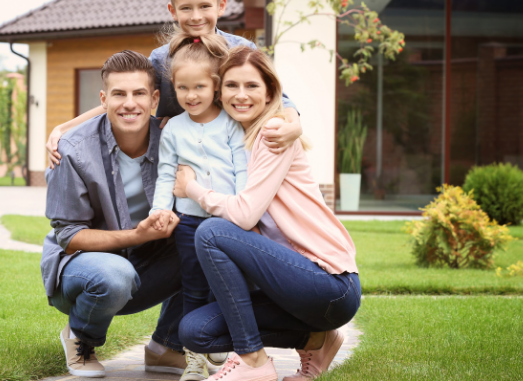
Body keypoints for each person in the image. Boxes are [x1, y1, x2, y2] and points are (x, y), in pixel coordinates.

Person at [172, 46, 361, 381]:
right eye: (231, 86)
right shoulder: (239, 140)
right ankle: (316, 339)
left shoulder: (274, 132)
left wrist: (193, 189)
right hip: (293, 287)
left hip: (330, 284)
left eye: (251, 86)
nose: (240, 95)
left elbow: (243, 216)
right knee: (194, 331)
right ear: (219, 91)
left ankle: (252, 361)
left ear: (271, 91)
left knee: (212, 232)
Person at [44, 0, 302, 170]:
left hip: (235, 153)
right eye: (186, 8)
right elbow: (126, 96)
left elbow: (279, 98)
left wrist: (294, 126)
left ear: (221, 6)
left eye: (204, 6)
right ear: (173, 11)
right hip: (181, 157)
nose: (196, 16)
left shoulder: (240, 50)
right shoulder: (161, 58)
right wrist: (64, 128)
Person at [42, 50, 187, 378]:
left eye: (138, 94)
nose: (129, 103)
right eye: (119, 94)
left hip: (146, 265)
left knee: (210, 240)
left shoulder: (173, 140)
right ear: (104, 98)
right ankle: (81, 338)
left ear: (154, 99)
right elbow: (69, 237)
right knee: (115, 274)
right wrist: (138, 235)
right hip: (83, 272)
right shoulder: (74, 150)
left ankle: (167, 346)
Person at [150, 31, 247, 381]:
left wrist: (243, 211)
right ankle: (194, 357)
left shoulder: (233, 124)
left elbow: (243, 172)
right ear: (173, 88)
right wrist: (160, 210)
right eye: (183, 89)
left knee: (226, 285)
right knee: (192, 287)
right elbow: (165, 175)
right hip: (189, 223)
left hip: (226, 223)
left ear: (216, 87)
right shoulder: (173, 128)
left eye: (200, 88)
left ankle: (219, 340)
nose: (191, 96)